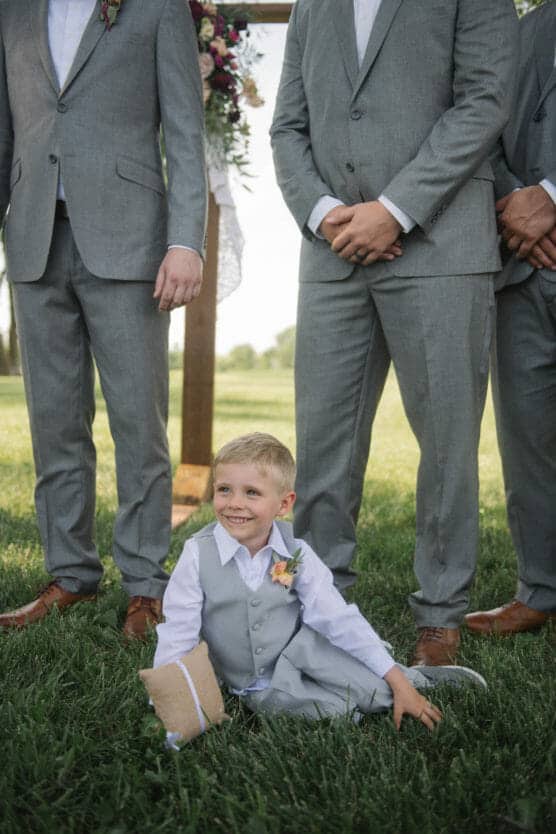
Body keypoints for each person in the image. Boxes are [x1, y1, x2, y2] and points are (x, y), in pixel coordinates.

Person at [270, 0, 518, 666]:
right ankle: (316, 604)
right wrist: (324, 214)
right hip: (331, 250)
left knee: (446, 443)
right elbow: (287, 128)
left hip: (441, 243)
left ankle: (439, 617)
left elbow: (485, 102)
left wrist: (395, 210)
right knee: (321, 444)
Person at [0, 0, 207, 638]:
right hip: (34, 241)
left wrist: (186, 240)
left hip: (131, 245)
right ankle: (71, 576)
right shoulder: (11, 11)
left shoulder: (157, 8)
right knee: (55, 424)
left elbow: (184, 131)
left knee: (138, 425)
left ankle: (146, 584)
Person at [154, 433, 486, 729]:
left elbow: (336, 617)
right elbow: (178, 633)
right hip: (256, 683)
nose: (235, 503)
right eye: (224, 489)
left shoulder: (295, 553)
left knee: (377, 690)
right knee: (338, 712)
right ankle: (366, 694)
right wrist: (167, 701)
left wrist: (398, 683)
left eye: (252, 492)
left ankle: (413, 680)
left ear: (284, 504)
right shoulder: (198, 554)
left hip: (307, 648)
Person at [466, 1, 556, 636]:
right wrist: (514, 204)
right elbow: (482, 123)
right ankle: (540, 588)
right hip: (520, 268)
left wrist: (551, 199)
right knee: (527, 441)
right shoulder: (519, 27)